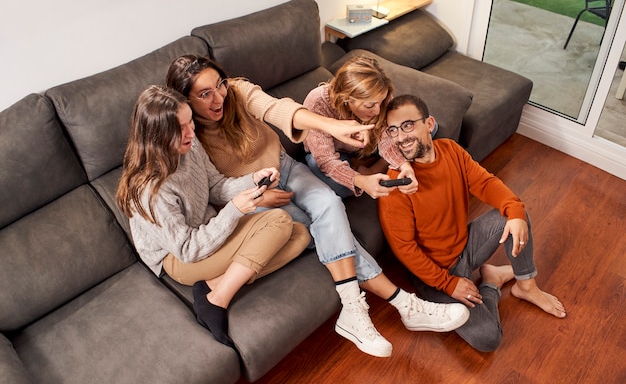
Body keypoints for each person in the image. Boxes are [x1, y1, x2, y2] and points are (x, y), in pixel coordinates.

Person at [165, 55, 469, 358]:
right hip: (254, 191)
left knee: (329, 204)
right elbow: (215, 187)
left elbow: (278, 108)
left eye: (220, 85)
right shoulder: (186, 135)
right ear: (185, 101)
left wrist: (333, 128)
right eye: (205, 94)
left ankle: (358, 309)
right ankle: (402, 303)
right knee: (314, 227)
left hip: (282, 166)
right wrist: (257, 194)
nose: (219, 96)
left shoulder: (238, 92)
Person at [116, 85, 311, 348]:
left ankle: (215, 284)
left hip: (207, 231)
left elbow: (215, 187)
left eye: (190, 123)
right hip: (178, 258)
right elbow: (187, 249)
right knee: (279, 222)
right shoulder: (151, 190)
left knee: (300, 234)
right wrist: (235, 210)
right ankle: (217, 299)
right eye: (181, 128)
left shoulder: (190, 145)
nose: (191, 132)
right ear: (158, 135)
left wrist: (252, 181)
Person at [377, 94, 567, 352]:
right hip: (436, 274)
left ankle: (526, 286)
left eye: (408, 125)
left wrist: (515, 210)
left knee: (514, 215)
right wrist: (449, 283)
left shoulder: (451, 150)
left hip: (466, 246)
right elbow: (404, 249)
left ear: (429, 124)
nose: (401, 136)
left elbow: (486, 184)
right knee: (488, 338)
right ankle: (492, 282)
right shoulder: (397, 183)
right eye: (393, 130)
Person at [303, 56, 433, 199]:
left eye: (381, 102)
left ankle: (375, 167)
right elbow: (326, 160)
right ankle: (372, 166)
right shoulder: (317, 103)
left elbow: (385, 137)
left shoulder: (380, 98)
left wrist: (405, 166)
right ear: (346, 98)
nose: (377, 111)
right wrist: (362, 181)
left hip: (371, 145)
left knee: (427, 127)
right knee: (339, 186)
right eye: (370, 105)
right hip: (336, 152)